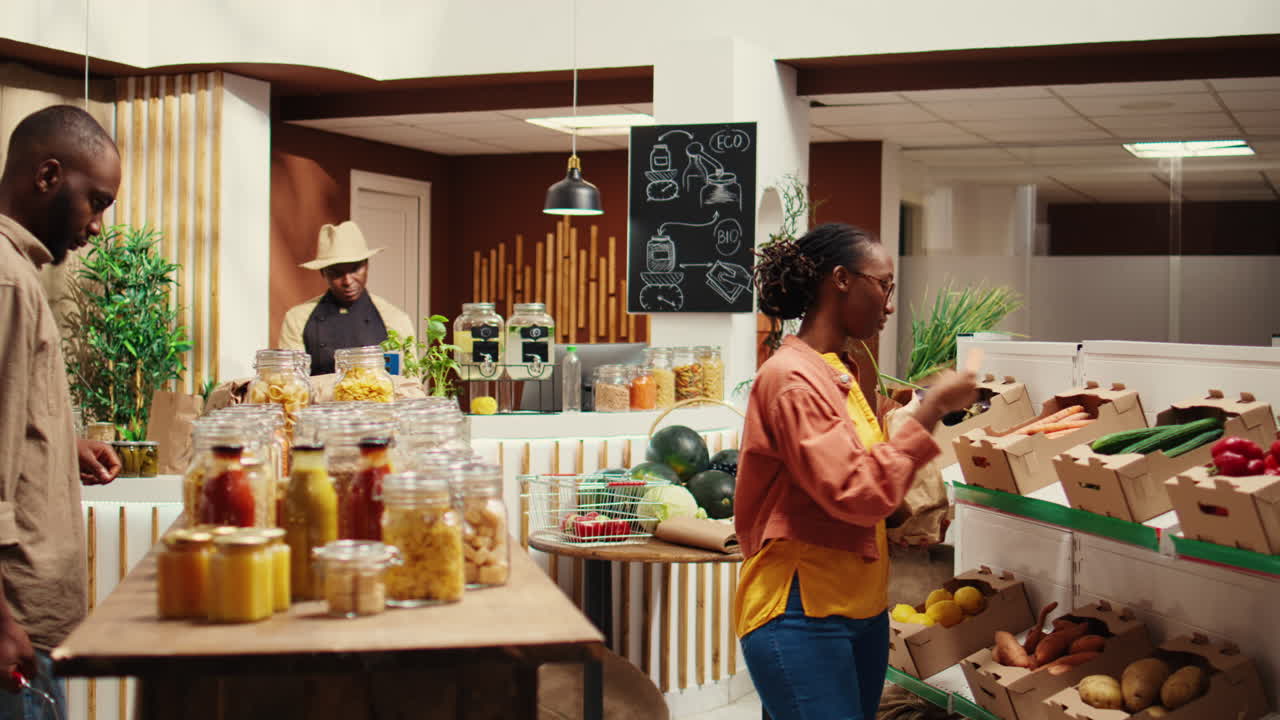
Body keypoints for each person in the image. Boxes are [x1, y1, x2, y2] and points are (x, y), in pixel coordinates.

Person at [734, 223, 978, 720]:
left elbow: (848, 486)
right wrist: (931, 411)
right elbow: (856, 492)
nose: (889, 304)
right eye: (884, 285)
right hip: (801, 612)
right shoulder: (792, 379)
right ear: (841, 279)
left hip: (860, 610)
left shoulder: (834, 372)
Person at [0, 104, 124, 717]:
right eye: (96, 201)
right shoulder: (7, 281)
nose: (98, 225)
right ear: (47, 176)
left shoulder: (20, 272)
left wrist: (56, 449)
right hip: (13, 628)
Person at [278, 221, 415, 375]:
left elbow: (409, 382)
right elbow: (291, 383)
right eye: (336, 273)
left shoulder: (395, 318)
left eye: (355, 269)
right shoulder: (297, 319)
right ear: (323, 273)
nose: (348, 281)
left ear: (367, 265)